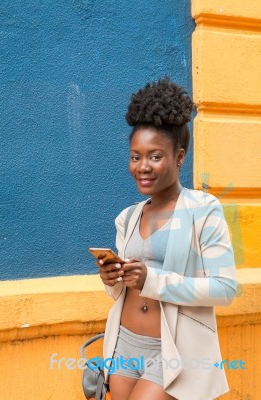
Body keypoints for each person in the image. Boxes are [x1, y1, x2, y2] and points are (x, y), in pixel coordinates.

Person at [97, 78, 237, 400]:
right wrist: (112, 278)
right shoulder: (128, 217)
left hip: (175, 350)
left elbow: (225, 289)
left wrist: (153, 279)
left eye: (155, 156)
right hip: (124, 343)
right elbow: (122, 291)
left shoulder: (203, 211)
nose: (142, 167)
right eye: (135, 156)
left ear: (179, 157)